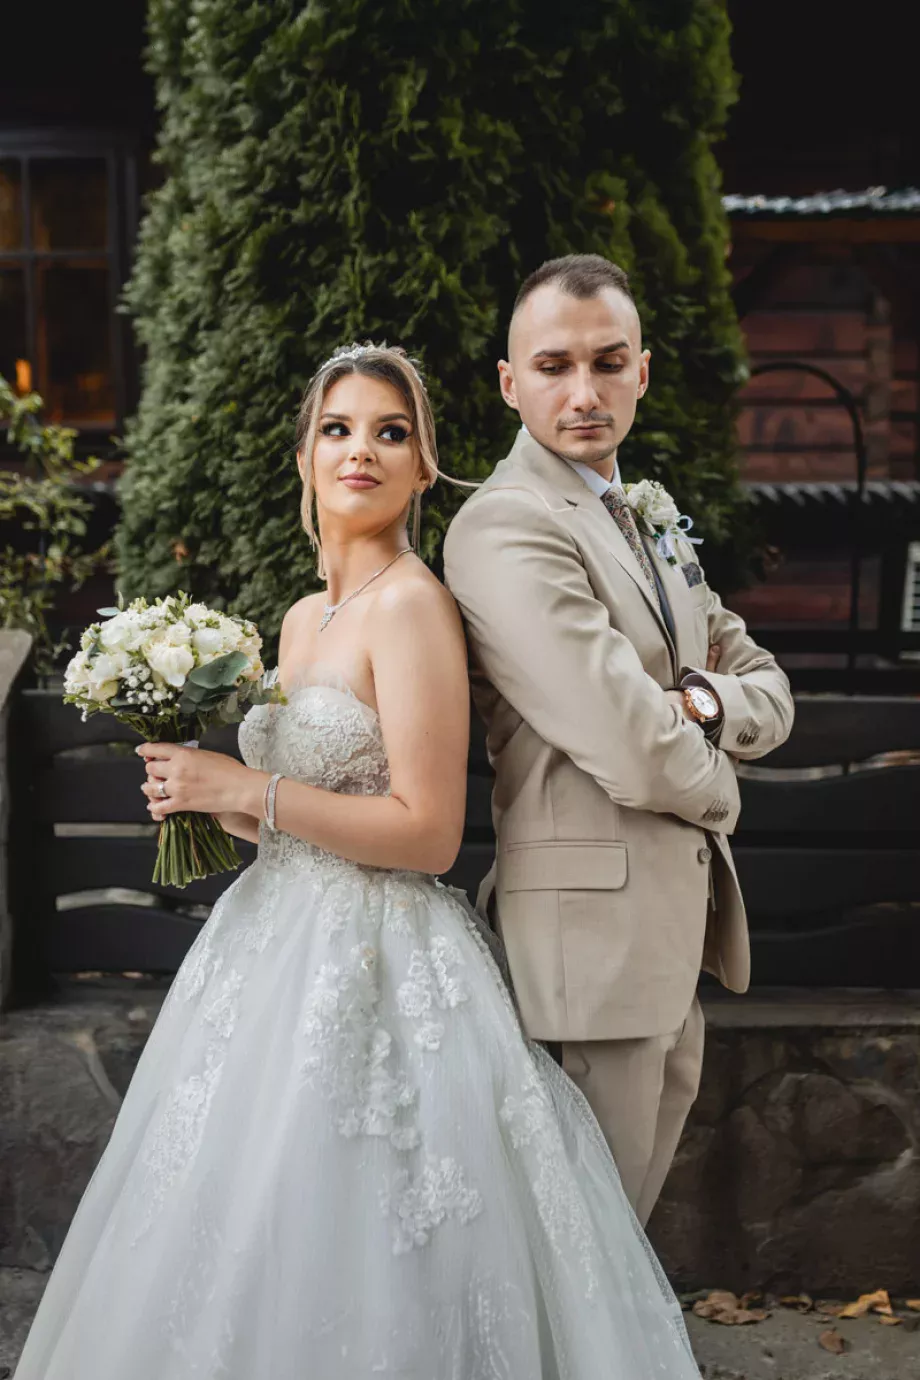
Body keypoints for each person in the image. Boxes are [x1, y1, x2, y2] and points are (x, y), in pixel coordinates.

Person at [13, 343, 700, 1379]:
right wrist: (206, 799)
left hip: (383, 963)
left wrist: (245, 789)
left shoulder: (414, 606)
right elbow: (310, 818)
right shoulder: (303, 619)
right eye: (337, 430)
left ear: (423, 468)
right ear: (304, 456)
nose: (361, 451)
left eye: (391, 433)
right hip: (270, 946)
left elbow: (426, 833)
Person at [443, 255, 794, 1227]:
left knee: (612, 1242)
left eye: (607, 362)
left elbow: (762, 677)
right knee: (577, 1242)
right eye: (553, 366)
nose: (584, 392)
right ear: (509, 383)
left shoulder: (644, 511)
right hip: (585, 944)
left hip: (666, 929)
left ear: (642, 370)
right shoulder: (503, 527)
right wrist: (725, 781)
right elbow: (634, 746)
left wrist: (708, 703)